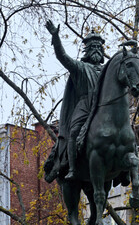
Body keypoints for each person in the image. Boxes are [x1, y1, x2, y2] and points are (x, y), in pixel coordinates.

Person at [44, 20, 105, 181]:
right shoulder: (80, 67)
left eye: (99, 47)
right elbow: (62, 56)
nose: (97, 50)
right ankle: (71, 167)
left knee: (126, 128)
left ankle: (129, 170)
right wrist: (55, 37)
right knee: (74, 132)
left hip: (103, 107)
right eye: (93, 47)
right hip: (84, 105)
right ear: (87, 50)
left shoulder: (108, 69)